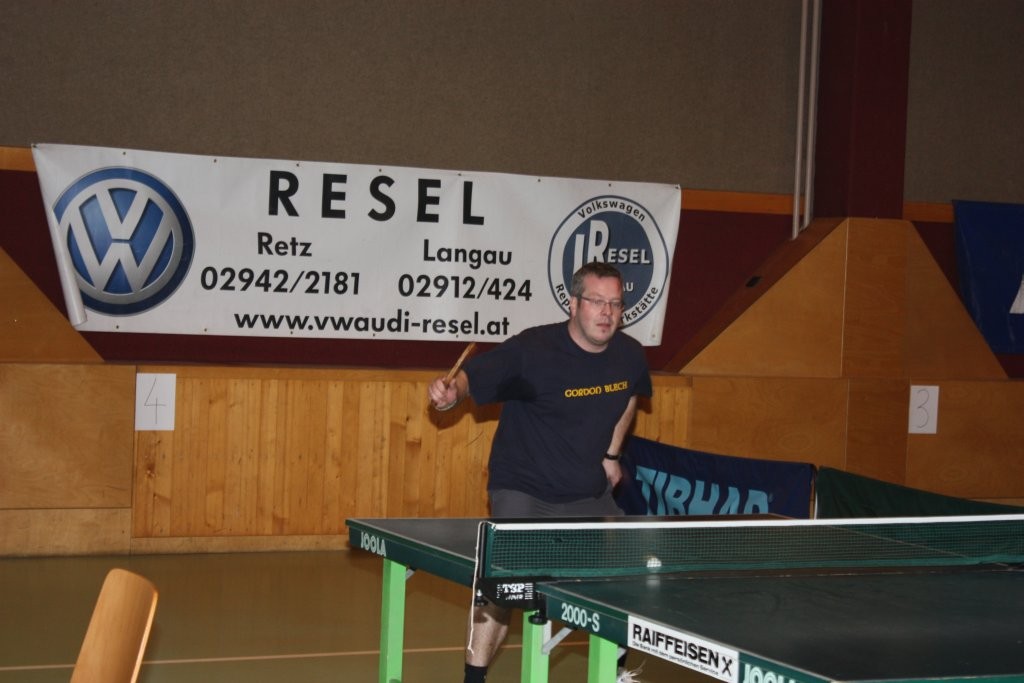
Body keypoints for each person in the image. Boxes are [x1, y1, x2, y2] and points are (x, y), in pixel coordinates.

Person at [427, 261, 652, 683]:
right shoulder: (533, 350)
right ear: (573, 304)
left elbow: (629, 395)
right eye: (597, 301)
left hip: (586, 491)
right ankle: (474, 678)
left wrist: (611, 454)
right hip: (524, 488)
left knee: (625, 578)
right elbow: (472, 378)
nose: (607, 312)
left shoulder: (629, 355)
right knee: (502, 585)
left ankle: (615, 674)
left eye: (615, 303)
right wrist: (450, 393)